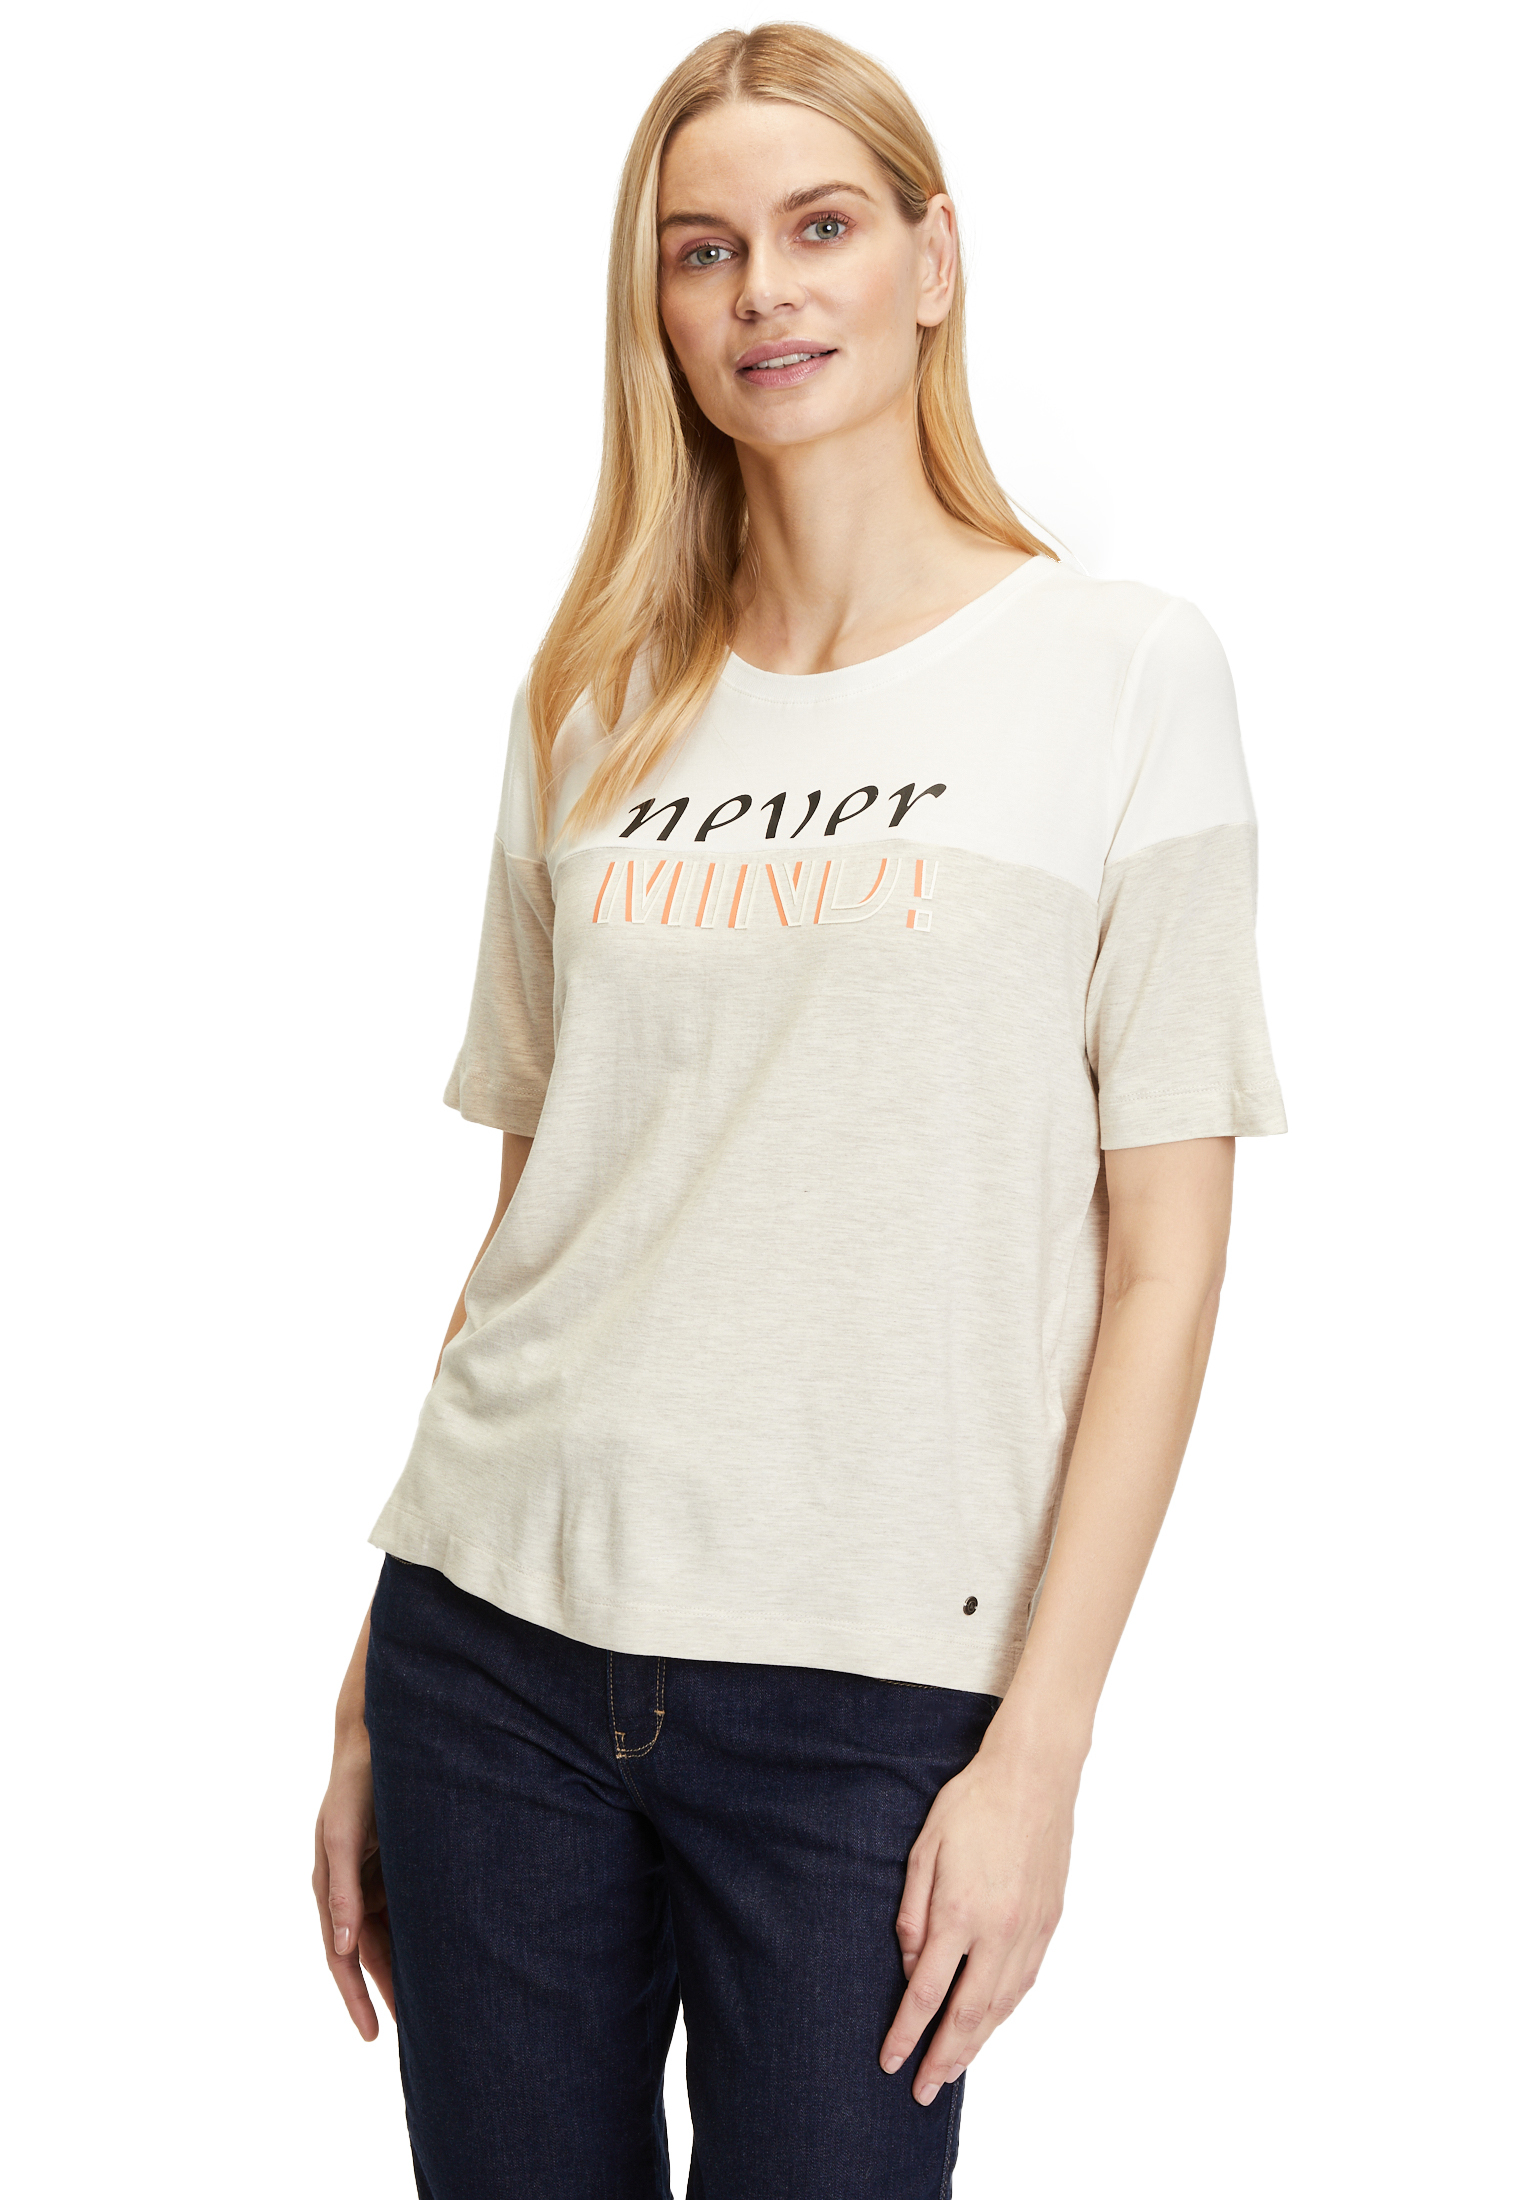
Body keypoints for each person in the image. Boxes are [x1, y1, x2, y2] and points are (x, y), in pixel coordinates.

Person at [312, 22, 1287, 2198]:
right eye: (703, 249)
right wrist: (376, 1672)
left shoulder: (1122, 674)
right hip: (494, 1655)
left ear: (932, 262)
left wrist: (1040, 1748)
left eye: (820, 227)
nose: (764, 289)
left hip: (873, 1695)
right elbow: (534, 1213)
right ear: (656, 305)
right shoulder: (588, 696)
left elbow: (1165, 1262)